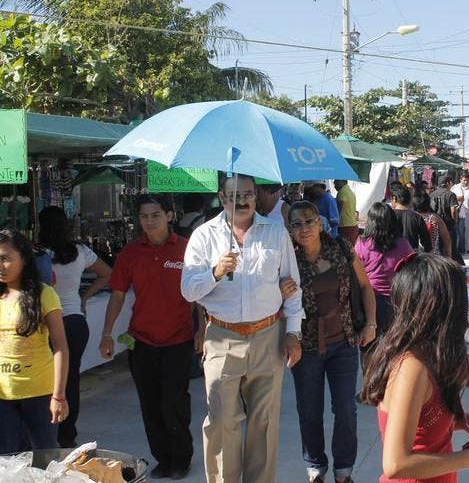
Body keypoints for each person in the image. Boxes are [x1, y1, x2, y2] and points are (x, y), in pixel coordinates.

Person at [181, 174, 304, 483]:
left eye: (248, 194)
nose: (243, 201)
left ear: (256, 196)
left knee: (264, 423)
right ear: (222, 198)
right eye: (235, 195)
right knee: (222, 421)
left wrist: (293, 332)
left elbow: (292, 285)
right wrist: (215, 272)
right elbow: (188, 290)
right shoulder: (204, 236)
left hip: (268, 335)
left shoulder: (275, 233)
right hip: (222, 338)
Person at [360, 253, 469, 482]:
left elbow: (426, 420)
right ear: (442, 308)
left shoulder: (430, 355)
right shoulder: (411, 368)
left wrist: (467, 422)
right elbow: (396, 464)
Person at [99, 194, 195, 480]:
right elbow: (117, 295)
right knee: (150, 405)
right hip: (142, 341)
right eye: (144, 216)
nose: (150, 221)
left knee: (174, 403)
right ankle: (163, 459)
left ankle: (181, 459)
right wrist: (106, 334)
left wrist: (203, 330)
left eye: (155, 215)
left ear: (169, 215)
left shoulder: (187, 249)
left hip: (178, 340)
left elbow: (200, 295)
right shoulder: (130, 253)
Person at [284, 201, 377, 483]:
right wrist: (278, 289)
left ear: (320, 223)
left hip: (344, 342)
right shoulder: (287, 260)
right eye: (296, 224)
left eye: (309, 221)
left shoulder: (340, 248)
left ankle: (344, 470)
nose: (304, 228)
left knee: (346, 410)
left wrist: (370, 323)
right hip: (306, 347)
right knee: (309, 411)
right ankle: (315, 466)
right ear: (289, 229)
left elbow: (365, 285)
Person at [37, 206, 112, 448]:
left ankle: (49, 430)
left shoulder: (37, 254)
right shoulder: (80, 251)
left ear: (41, 227)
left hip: (46, 324)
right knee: (70, 379)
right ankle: (67, 434)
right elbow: (107, 274)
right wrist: (84, 297)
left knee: (47, 380)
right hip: (75, 321)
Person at [0, 228, 68, 454]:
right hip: (3, 397)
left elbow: (60, 347)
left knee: (44, 460)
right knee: (8, 461)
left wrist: (59, 396)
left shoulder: (44, 294)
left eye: (5, 258)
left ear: (24, 258)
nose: (0, 265)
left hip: (40, 395)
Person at [355, 203, 414, 357]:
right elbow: (411, 270)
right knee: (394, 347)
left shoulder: (362, 244)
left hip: (368, 301)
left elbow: (355, 274)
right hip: (395, 300)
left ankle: (371, 372)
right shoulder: (403, 244)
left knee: (369, 347)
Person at [390, 183, 432, 253]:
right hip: (411, 255)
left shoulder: (388, 215)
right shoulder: (417, 217)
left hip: (393, 256)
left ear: (394, 199)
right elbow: (427, 244)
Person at [430, 177, 462, 265]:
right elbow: (453, 210)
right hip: (448, 224)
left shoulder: (432, 194)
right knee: (451, 246)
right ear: (448, 183)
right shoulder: (451, 194)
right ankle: (454, 265)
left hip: (435, 224)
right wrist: (455, 221)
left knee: (438, 247)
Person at [412, 193, 452, 258]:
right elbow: (446, 238)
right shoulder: (435, 218)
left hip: (415, 257)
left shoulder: (412, 217)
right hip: (433, 257)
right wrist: (448, 256)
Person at [451, 174, 469, 255]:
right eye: (464, 180)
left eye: (467, 180)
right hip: (458, 212)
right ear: (460, 180)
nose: (466, 182)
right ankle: (459, 248)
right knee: (459, 231)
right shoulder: (455, 188)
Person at [334, 179, 359, 246]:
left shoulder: (342, 192)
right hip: (352, 225)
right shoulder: (350, 191)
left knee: (344, 249)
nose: (334, 184)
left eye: (336, 181)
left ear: (343, 181)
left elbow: (338, 210)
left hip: (345, 227)